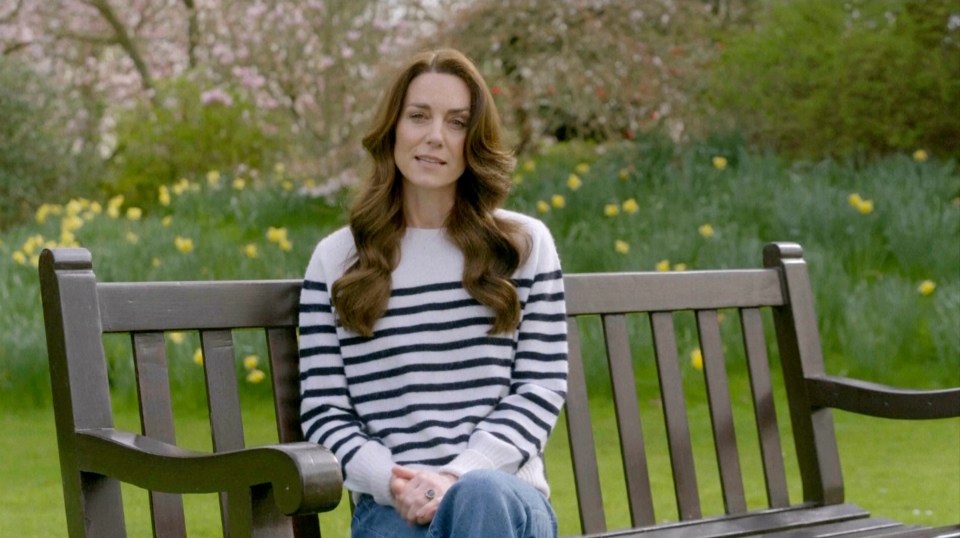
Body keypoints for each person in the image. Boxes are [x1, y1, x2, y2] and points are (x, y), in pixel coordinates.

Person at [298, 48, 568, 538]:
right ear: (393, 129)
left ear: (475, 139)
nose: (434, 137)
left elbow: (540, 387)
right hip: (391, 507)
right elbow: (325, 410)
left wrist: (456, 474)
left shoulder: (522, 248)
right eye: (418, 116)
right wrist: (392, 480)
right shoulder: (338, 260)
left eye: (457, 122)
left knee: (478, 496)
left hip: (504, 500)